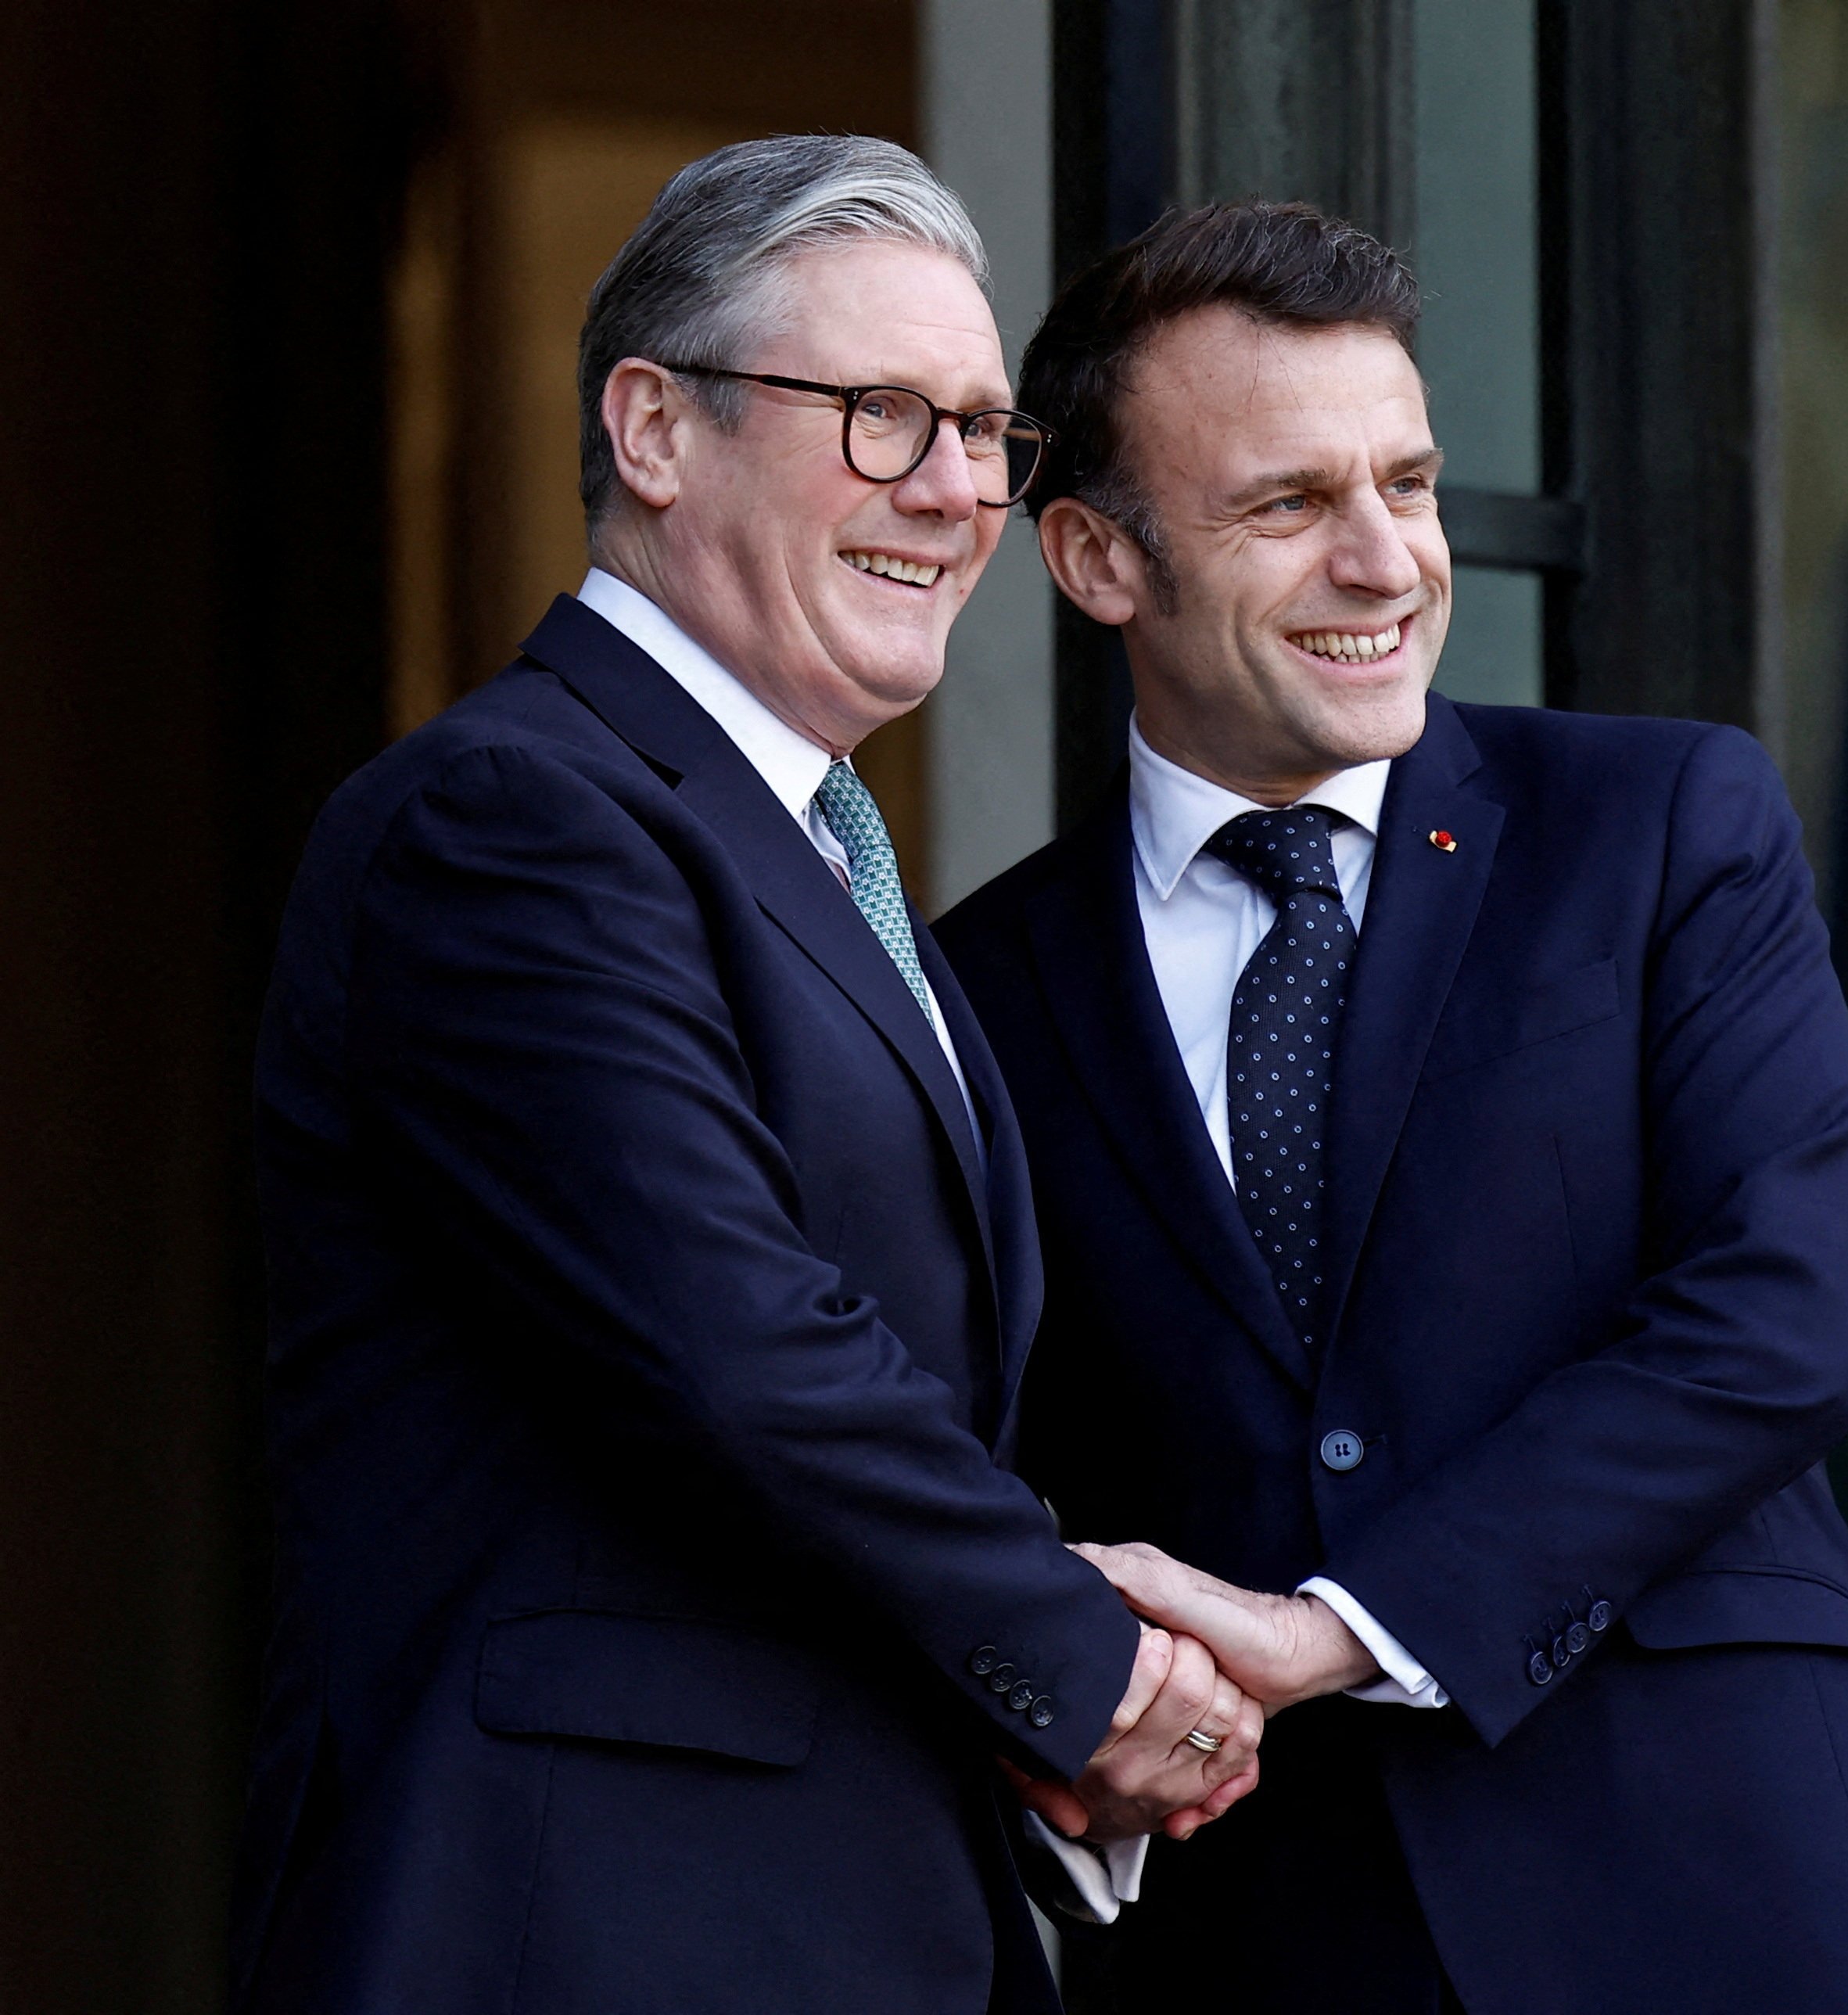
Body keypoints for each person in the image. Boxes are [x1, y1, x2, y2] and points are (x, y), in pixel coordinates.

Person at [935, 200, 1848, 2015]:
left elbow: (1773, 1329)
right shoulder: (978, 988)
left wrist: (1337, 1631)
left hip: (1751, 1891)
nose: (1385, 561)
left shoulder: (1664, 826)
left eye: (1411, 483)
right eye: (1288, 505)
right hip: (1284, 1939)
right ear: (1093, 559)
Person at [235, 137, 1261, 2015]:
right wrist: (1088, 1663)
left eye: (982, 430)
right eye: (882, 414)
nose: (957, 492)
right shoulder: (513, 815)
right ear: (652, 427)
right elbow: (743, 1345)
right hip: (589, 1921)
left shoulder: (821, 861)